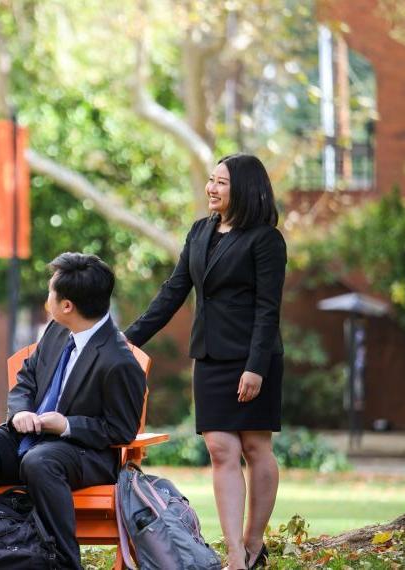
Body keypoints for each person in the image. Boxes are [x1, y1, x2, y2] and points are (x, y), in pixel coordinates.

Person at [124, 153, 286, 570]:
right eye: (211, 181)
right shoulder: (200, 232)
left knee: (254, 446)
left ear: (244, 190)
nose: (211, 188)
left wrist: (256, 366)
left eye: (221, 183)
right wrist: (128, 338)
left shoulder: (266, 240)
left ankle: (253, 542)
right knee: (219, 449)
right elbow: (173, 291)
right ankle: (234, 551)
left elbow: (268, 308)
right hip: (210, 357)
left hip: (253, 357)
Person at [0, 253, 147, 570]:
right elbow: (26, 378)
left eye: (50, 294)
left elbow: (120, 429)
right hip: (30, 441)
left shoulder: (119, 360)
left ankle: (65, 564)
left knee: (40, 461)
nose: (47, 301)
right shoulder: (57, 331)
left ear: (67, 305)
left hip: (82, 454)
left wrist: (66, 425)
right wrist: (20, 413)